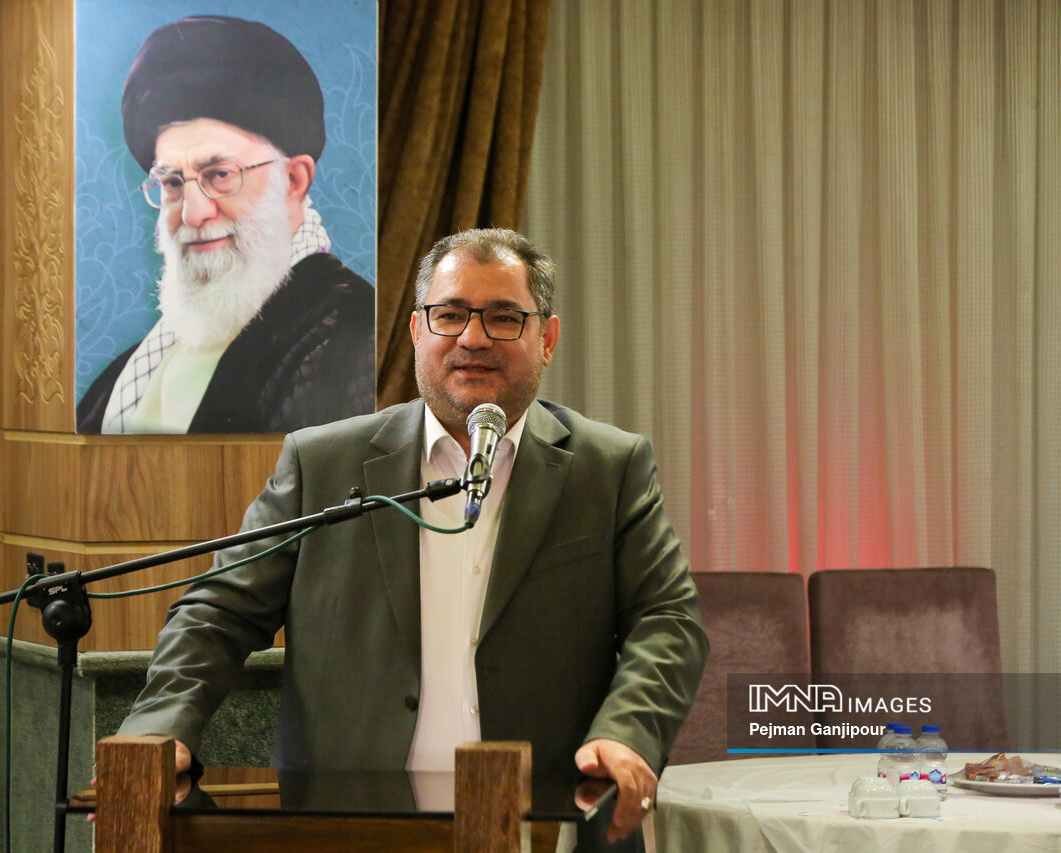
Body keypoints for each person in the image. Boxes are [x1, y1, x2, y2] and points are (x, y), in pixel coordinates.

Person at [119, 228, 708, 846]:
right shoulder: (324, 464)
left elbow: (667, 620)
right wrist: (160, 728)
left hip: (550, 819)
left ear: (548, 339)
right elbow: (220, 610)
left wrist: (626, 733)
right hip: (351, 823)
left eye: (504, 317)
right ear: (416, 331)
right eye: (449, 315)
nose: (473, 338)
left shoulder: (607, 468)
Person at [77, 15, 374, 434]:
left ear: (293, 180)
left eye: (219, 175)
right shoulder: (128, 373)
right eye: (173, 183)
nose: (193, 213)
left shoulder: (352, 335)